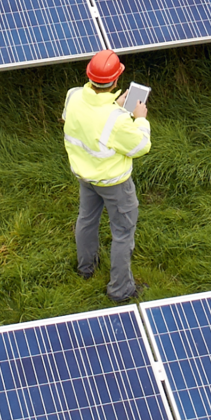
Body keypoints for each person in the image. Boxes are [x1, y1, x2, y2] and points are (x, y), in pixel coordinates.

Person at [61, 50, 150, 302]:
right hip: (114, 183)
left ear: (89, 77)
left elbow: (76, 119)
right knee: (123, 232)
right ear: (116, 80)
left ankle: (85, 269)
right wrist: (140, 119)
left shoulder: (74, 95)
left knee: (86, 220)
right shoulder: (118, 120)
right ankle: (120, 290)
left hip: (85, 176)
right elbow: (140, 146)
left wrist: (116, 105)